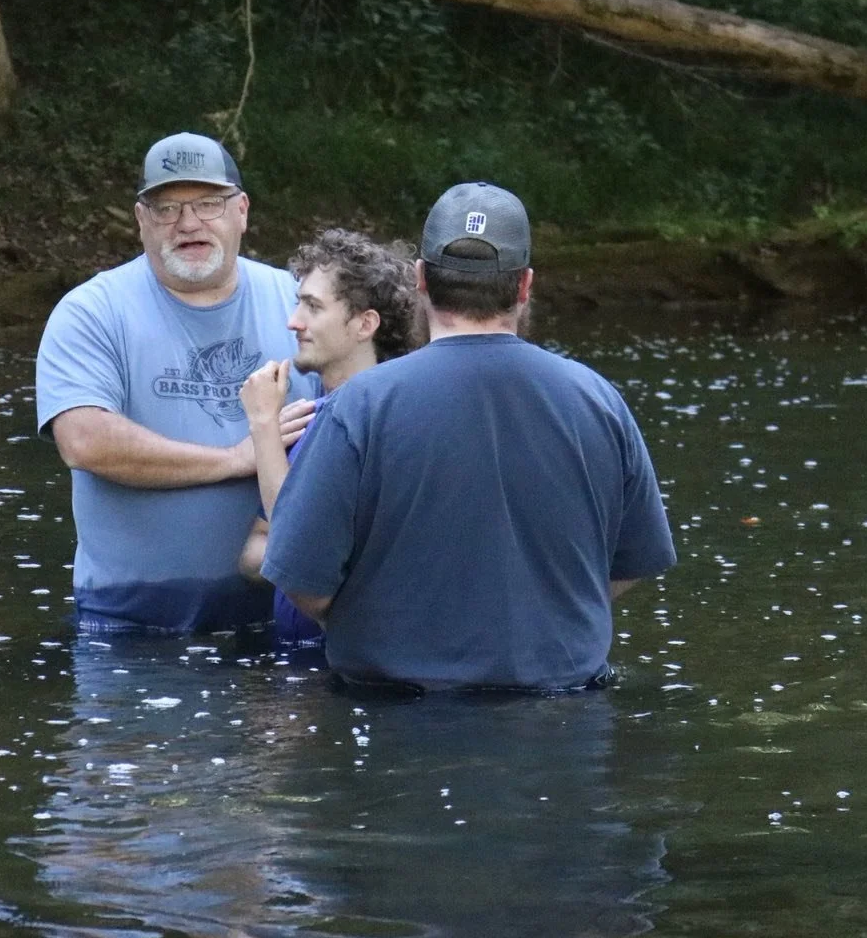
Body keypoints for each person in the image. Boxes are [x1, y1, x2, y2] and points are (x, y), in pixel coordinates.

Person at [261, 182, 676, 691]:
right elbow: (636, 559)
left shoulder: (359, 407)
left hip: (396, 717)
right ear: (524, 286)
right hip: (562, 717)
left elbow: (302, 579)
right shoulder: (598, 400)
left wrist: (377, 627)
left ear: (420, 280)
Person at [35, 132, 320, 632]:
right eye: (166, 208)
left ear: (242, 212)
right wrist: (236, 459)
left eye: (209, 203)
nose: (188, 223)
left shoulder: (301, 305)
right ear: (141, 220)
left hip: (280, 619)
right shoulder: (91, 312)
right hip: (128, 623)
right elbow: (83, 442)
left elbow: (362, 417)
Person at [235, 229, 423, 647]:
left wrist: (264, 427)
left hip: (344, 671)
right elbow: (256, 551)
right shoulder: (309, 417)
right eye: (298, 302)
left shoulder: (383, 422)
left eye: (313, 307)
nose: (293, 321)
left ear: (364, 324)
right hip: (299, 665)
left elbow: (296, 544)